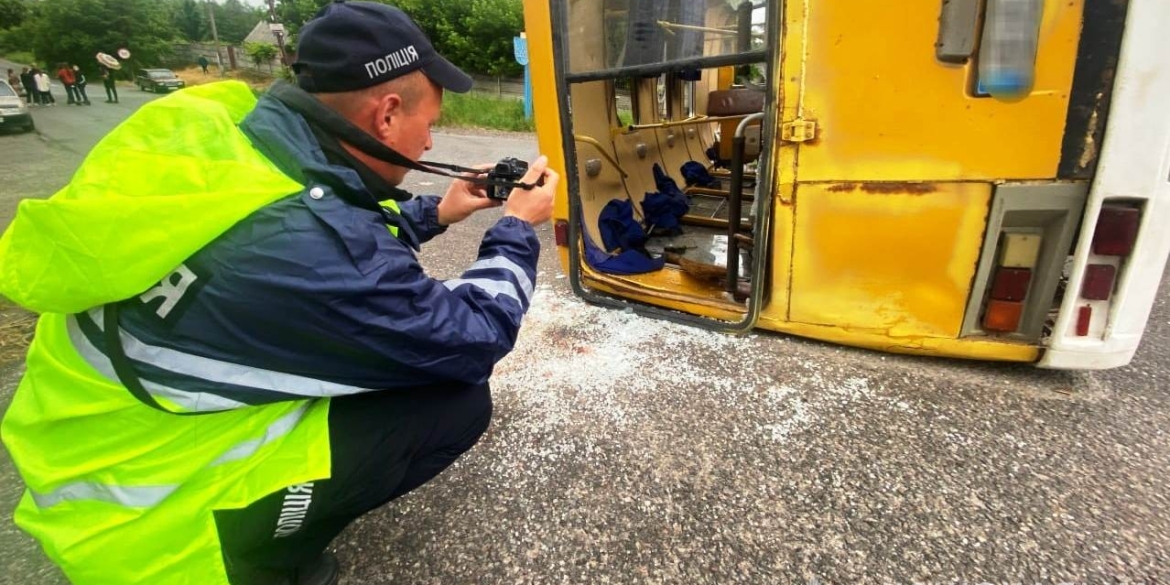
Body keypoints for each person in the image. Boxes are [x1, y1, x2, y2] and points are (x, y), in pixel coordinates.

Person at [0, 2, 556, 585]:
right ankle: (264, 563)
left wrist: (436, 211)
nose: (428, 142)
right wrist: (515, 228)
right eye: (429, 124)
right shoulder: (313, 244)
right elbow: (473, 336)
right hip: (142, 519)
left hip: (87, 438)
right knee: (456, 400)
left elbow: (317, 223)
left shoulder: (236, 130)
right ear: (388, 115)